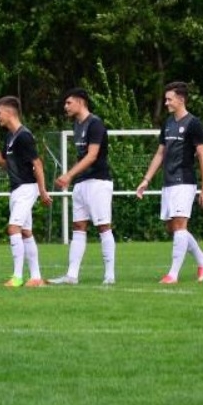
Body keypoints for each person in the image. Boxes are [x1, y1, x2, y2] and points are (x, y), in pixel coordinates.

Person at [135, 81, 203, 284]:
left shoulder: (193, 123)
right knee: (172, 228)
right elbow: (160, 153)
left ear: (180, 99)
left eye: (169, 99)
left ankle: (173, 274)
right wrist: (146, 180)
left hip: (184, 181)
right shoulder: (168, 123)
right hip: (168, 182)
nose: (166, 103)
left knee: (180, 226)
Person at [0, 96, 53, 287]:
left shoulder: (24, 136)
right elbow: (4, 163)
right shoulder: (10, 137)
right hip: (17, 189)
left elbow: (37, 164)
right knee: (26, 232)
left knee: (13, 228)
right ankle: (36, 277)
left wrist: (42, 191)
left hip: (27, 188)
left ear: (9, 112)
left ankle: (17, 277)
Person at [50, 88, 117, 285]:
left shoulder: (95, 123)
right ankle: (71, 275)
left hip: (98, 182)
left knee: (103, 226)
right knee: (78, 226)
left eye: (69, 102)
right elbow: (82, 157)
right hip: (81, 183)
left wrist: (69, 175)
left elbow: (92, 155)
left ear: (81, 102)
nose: (66, 107)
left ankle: (109, 275)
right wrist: (73, 177)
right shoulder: (77, 125)